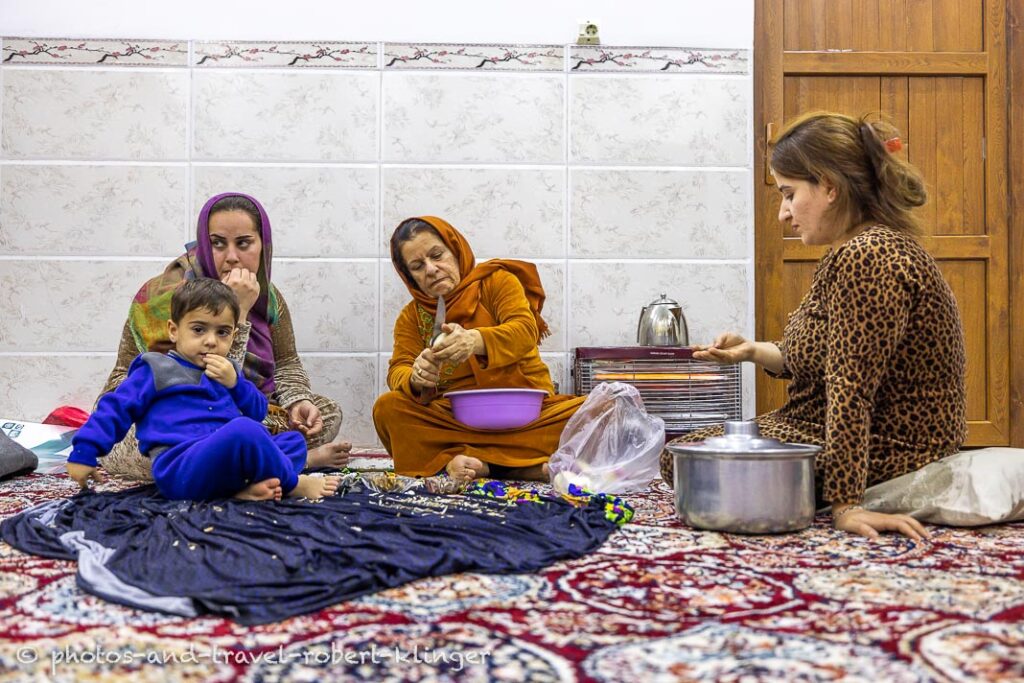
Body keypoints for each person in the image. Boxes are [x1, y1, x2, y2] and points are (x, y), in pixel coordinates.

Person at [661, 112, 967, 541]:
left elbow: (851, 388)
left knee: (692, 459)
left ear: (829, 186)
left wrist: (847, 504)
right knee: (686, 453)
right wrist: (751, 350)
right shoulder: (856, 251)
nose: (783, 214)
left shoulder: (869, 256)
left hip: (896, 449)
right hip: (820, 425)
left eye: (788, 194)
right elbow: (816, 354)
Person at [98, 192, 349, 480]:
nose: (231, 257)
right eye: (218, 244)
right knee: (152, 445)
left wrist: (297, 401)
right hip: (165, 410)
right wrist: (239, 312)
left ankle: (239, 463)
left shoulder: (267, 296)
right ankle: (287, 461)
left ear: (262, 246)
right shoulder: (170, 295)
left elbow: (287, 362)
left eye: (243, 243)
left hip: (235, 405)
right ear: (205, 243)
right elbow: (207, 378)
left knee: (325, 413)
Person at [67, 279, 341, 501]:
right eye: (199, 330)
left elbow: (258, 411)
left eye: (222, 332)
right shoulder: (156, 369)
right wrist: (84, 451)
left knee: (289, 440)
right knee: (246, 431)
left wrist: (235, 382)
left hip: (223, 462)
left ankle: (241, 492)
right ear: (174, 331)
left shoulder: (226, 370)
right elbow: (115, 408)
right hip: (181, 466)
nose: (211, 341)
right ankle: (293, 483)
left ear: (234, 334)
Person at [373, 216, 585, 481]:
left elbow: (524, 332)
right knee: (388, 408)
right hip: (457, 421)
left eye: (437, 255)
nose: (431, 269)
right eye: (417, 266)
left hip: (526, 416)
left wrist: (475, 340)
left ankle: (478, 464)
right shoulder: (412, 317)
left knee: (605, 408)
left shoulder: (497, 282)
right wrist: (415, 378)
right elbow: (398, 369)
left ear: (456, 249)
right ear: (410, 278)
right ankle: (523, 467)